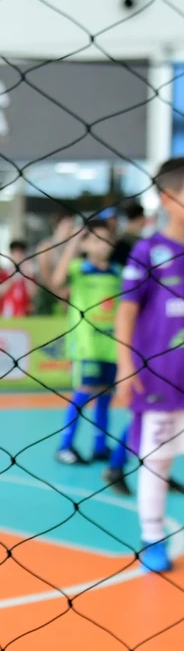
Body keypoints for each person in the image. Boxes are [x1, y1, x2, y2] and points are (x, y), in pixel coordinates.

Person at [116, 156, 184, 574]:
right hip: (160, 375)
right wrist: (126, 364)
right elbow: (126, 310)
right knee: (157, 461)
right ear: (166, 198)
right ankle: (152, 537)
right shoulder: (148, 250)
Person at [50, 220, 121, 465]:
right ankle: (65, 446)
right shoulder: (79, 269)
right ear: (86, 244)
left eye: (107, 239)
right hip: (86, 346)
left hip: (110, 346)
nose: (104, 244)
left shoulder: (117, 273)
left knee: (106, 395)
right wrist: (73, 243)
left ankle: (100, 446)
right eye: (97, 239)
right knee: (83, 392)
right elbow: (57, 281)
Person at [0, 240, 33, 319]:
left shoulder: (28, 274)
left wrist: (27, 274)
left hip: (23, 314)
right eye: (16, 253)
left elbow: (32, 293)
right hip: (7, 313)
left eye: (21, 253)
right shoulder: (4, 273)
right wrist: (13, 276)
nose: (18, 256)